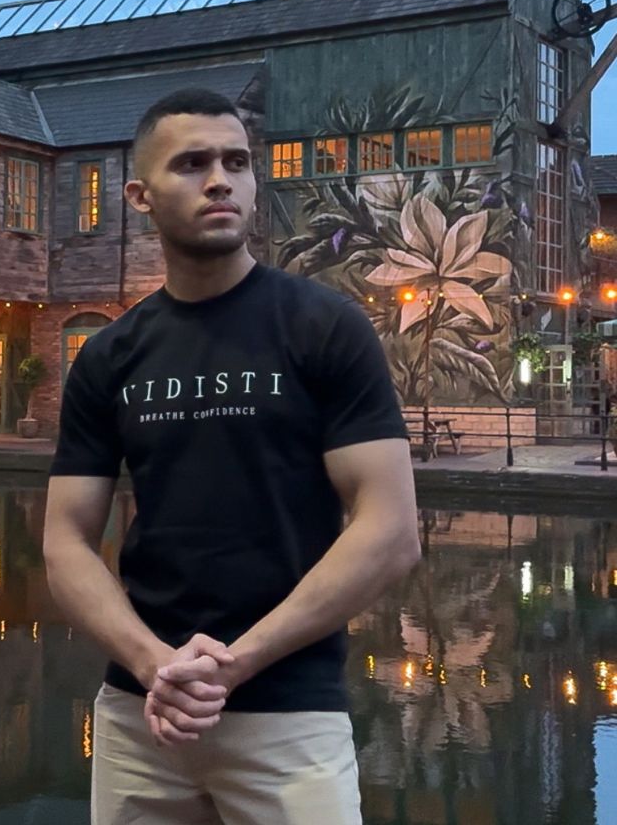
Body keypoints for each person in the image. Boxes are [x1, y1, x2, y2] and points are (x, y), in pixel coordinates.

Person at [43, 88, 420, 825]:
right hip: (139, 715)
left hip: (289, 713)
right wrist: (154, 663)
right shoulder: (109, 357)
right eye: (192, 164)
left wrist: (236, 662)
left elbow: (390, 530)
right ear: (139, 196)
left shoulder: (324, 328)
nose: (221, 179)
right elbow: (64, 540)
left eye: (237, 162)